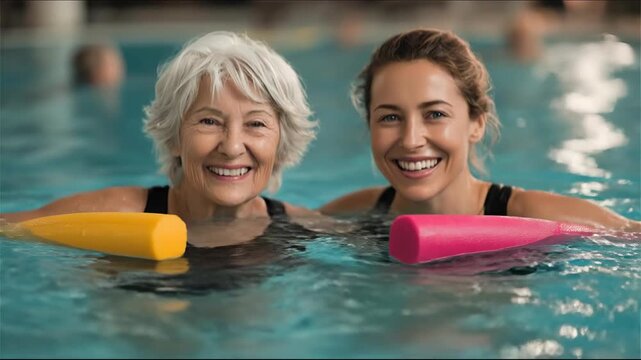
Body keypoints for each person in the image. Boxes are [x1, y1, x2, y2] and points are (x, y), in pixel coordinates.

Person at [2, 31, 319, 243]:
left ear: (282, 142)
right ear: (173, 137)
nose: (233, 146)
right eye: (209, 121)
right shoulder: (119, 213)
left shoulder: (305, 229)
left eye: (256, 125)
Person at [320, 28, 640, 232]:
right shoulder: (357, 214)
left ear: (476, 123)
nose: (411, 139)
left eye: (435, 114)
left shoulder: (529, 215)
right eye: (390, 118)